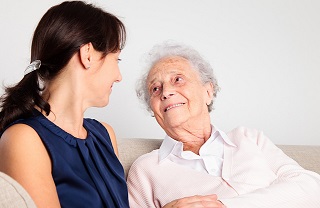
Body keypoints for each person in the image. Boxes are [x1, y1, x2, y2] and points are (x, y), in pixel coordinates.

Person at [127, 42, 320, 208]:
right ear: (153, 109)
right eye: (155, 88)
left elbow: (312, 188)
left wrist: (226, 205)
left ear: (208, 92)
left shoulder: (247, 138)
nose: (166, 92)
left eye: (178, 80)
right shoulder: (146, 169)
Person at [0, 1, 129, 207]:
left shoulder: (105, 134)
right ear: (87, 54)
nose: (119, 76)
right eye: (116, 60)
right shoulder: (23, 140)